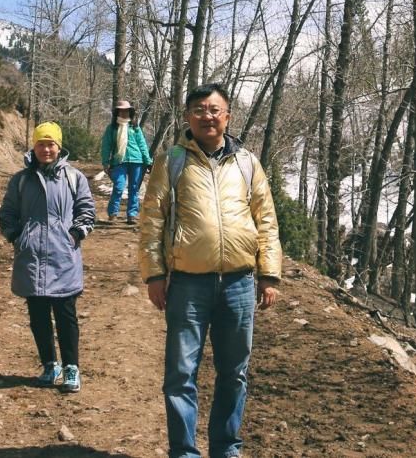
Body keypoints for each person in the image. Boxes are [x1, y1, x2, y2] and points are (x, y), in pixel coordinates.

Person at [137, 83, 282, 458]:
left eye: (215, 109)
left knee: (234, 373)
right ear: (187, 117)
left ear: (228, 116)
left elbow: (265, 220)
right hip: (187, 285)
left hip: (239, 283)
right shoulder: (172, 161)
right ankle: (184, 452)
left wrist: (269, 274)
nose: (207, 116)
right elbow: (152, 219)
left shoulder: (247, 163)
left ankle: (226, 449)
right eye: (199, 109)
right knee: (181, 375)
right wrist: (154, 274)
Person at [0, 121, 96, 393]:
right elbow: (7, 213)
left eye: (51, 143)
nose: (46, 149)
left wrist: (75, 234)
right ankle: (49, 364)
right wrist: (16, 236)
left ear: (59, 146)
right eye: (41, 143)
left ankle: (71, 368)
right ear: (34, 146)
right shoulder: (21, 180)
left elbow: (86, 210)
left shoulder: (74, 177)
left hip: (63, 256)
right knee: (37, 315)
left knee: (66, 315)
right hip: (31, 257)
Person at [99, 99, 152, 224]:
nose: (124, 113)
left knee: (134, 188)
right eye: (121, 111)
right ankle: (113, 213)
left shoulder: (135, 127)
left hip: (137, 161)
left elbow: (142, 145)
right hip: (119, 161)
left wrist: (148, 161)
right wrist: (105, 162)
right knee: (119, 186)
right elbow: (106, 146)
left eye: (126, 111)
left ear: (130, 112)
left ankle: (132, 215)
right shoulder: (112, 128)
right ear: (117, 112)